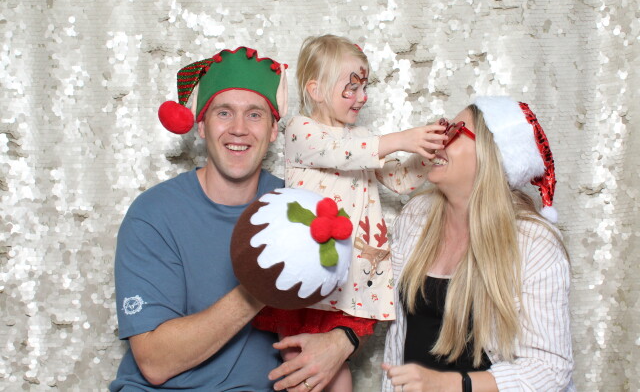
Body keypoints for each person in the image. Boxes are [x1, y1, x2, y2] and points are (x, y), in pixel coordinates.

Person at [111, 46, 355, 391]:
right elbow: (154, 362)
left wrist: (344, 340)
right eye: (224, 113)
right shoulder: (153, 214)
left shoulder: (301, 208)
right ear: (201, 125)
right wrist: (264, 279)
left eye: (254, 115)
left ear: (274, 130)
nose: (239, 129)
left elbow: (360, 294)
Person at [252, 34, 448, 392]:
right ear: (316, 90)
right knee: (301, 366)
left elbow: (400, 180)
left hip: (347, 278)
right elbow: (340, 151)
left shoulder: (364, 138)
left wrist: (428, 154)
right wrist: (400, 139)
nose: (362, 97)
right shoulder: (301, 131)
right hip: (307, 269)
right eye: (351, 87)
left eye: (364, 87)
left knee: (336, 372)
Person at [382, 96, 574, 391]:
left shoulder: (535, 242)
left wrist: (447, 385)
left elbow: (550, 370)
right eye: (442, 126)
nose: (437, 138)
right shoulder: (416, 216)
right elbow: (379, 306)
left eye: (453, 130)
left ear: (491, 154)